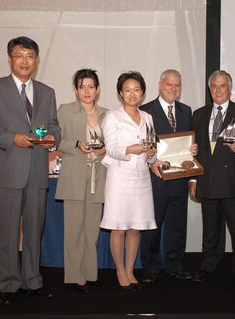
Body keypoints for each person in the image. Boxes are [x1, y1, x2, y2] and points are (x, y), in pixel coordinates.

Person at [0, 36, 60, 305]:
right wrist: (13, 138)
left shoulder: (47, 92)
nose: (25, 61)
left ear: (37, 60)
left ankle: (32, 281)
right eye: (19, 55)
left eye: (30, 56)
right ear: (10, 58)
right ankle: (9, 284)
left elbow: (55, 126)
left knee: (35, 230)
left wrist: (52, 138)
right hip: (8, 171)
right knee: (9, 232)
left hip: (37, 172)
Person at [189, 70, 235, 284]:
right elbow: (194, 151)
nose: (218, 90)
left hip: (234, 182)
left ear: (230, 88)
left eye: (222, 86)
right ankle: (208, 265)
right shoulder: (199, 114)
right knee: (210, 231)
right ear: (210, 89)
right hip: (207, 181)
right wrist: (193, 179)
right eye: (214, 86)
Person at [100, 71, 157, 291]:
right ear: (120, 94)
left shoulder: (148, 118)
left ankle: (131, 269)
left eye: (136, 90)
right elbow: (111, 148)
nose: (132, 94)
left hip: (142, 177)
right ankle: (120, 271)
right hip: (120, 177)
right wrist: (130, 149)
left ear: (142, 93)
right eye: (127, 90)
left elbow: (151, 151)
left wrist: (152, 154)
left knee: (135, 228)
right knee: (119, 228)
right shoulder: (112, 117)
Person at [139, 69, 196, 283]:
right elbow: (144, 146)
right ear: (160, 85)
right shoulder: (145, 111)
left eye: (177, 85)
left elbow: (188, 143)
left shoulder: (186, 111)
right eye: (169, 84)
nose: (173, 88)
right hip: (155, 179)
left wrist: (193, 151)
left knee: (177, 226)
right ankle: (151, 267)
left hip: (180, 178)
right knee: (152, 227)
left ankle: (175, 265)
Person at [55, 69, 107, 293]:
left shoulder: (108, 114)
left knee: (92, 230)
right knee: (74, 229)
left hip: (99, 177)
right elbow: (56, 140)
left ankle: (90, 272)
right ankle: (76, 275)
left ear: (97, 90)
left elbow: (114, 144)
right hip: (74, 176)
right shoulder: (65, 111)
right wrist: (76, 143)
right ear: (76, 90)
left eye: (91, 86)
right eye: (82, 86)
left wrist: (106, 149)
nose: (87, 91)